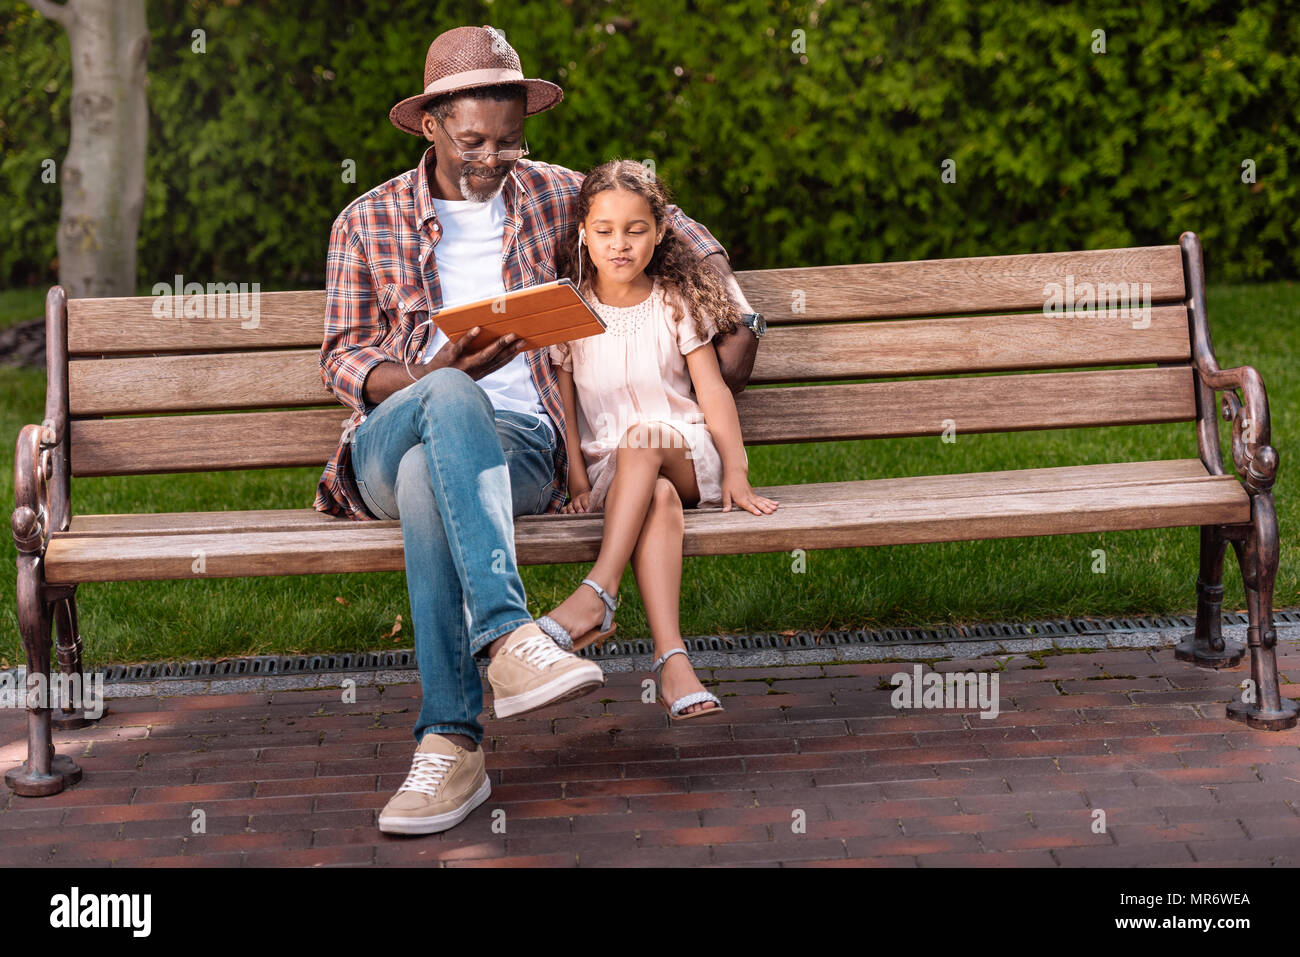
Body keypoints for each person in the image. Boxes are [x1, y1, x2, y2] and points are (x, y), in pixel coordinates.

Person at [315, 26, 764, 835]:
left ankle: (450, 745)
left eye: (511, 140)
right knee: (445, 399)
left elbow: (688, 238)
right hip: (390, 432)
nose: (494, 158)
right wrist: (431, 376)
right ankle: (509, 637)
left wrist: (736, 322)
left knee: (433, 478)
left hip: (519, 449)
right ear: (431, 126)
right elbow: (344, 359)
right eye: (474, 140)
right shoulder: (367, 221)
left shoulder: (558, 194)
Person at [537, 161, 779, 719]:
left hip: (687, 452)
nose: (620, 244)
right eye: (604, 231)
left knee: (645, 440)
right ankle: (674, 663)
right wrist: (576, 477)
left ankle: (598, 590)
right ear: (582, 233)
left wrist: (737, 471)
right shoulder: (570, 311)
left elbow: (713, 392)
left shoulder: (673, 300)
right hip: (614, 476)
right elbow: (566, 406)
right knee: (656, 495)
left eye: (636, 229)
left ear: (662, 230)